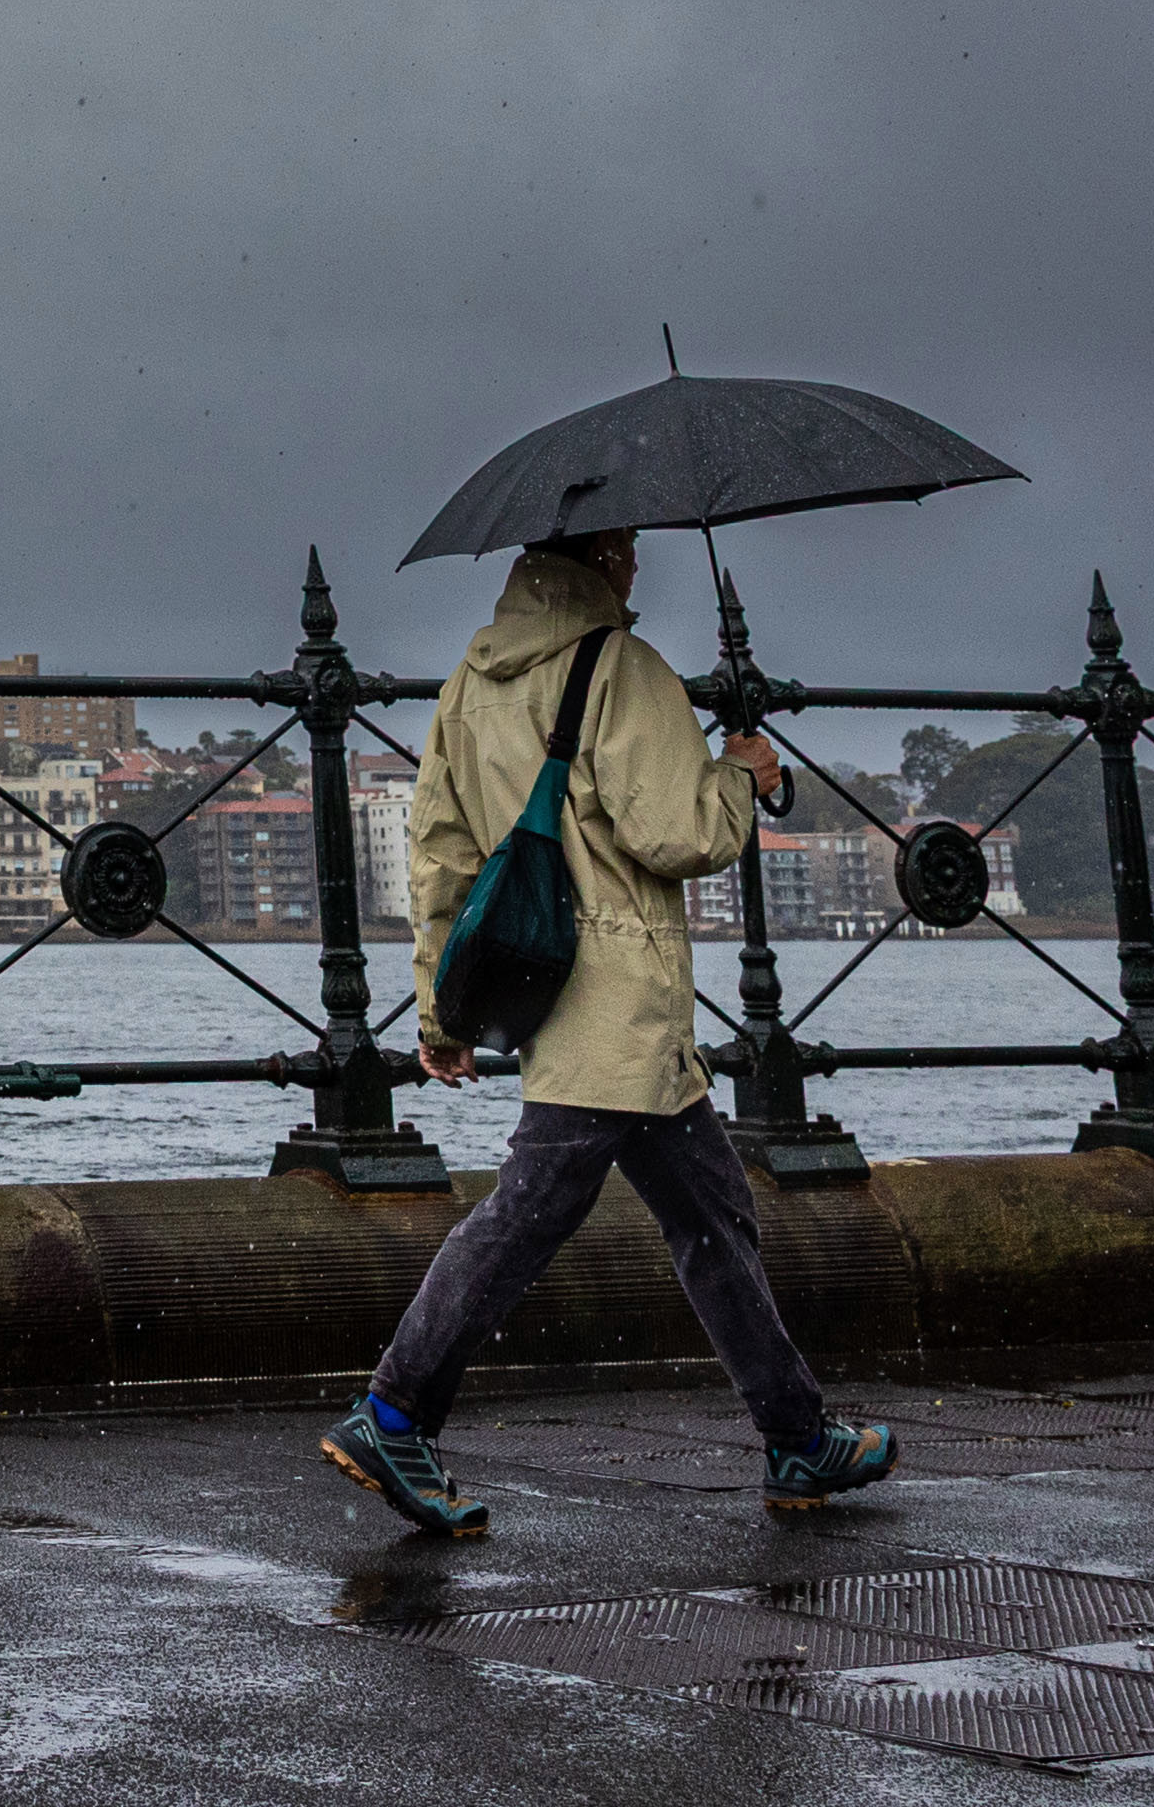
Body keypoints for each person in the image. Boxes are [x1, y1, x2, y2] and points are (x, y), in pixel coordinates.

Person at [319, 525, 897, 1537]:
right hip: (617, 999)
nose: (635, 560)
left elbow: (440, 857)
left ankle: (798, 1432)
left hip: (555, 991)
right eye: (625, 544)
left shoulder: (471, 680)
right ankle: (393, 1409)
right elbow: (676, 832)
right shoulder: (624, 668)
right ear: (602, 556)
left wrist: (443, 1010)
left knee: (713, 1216)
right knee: (528, 1214)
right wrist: (743, 776)